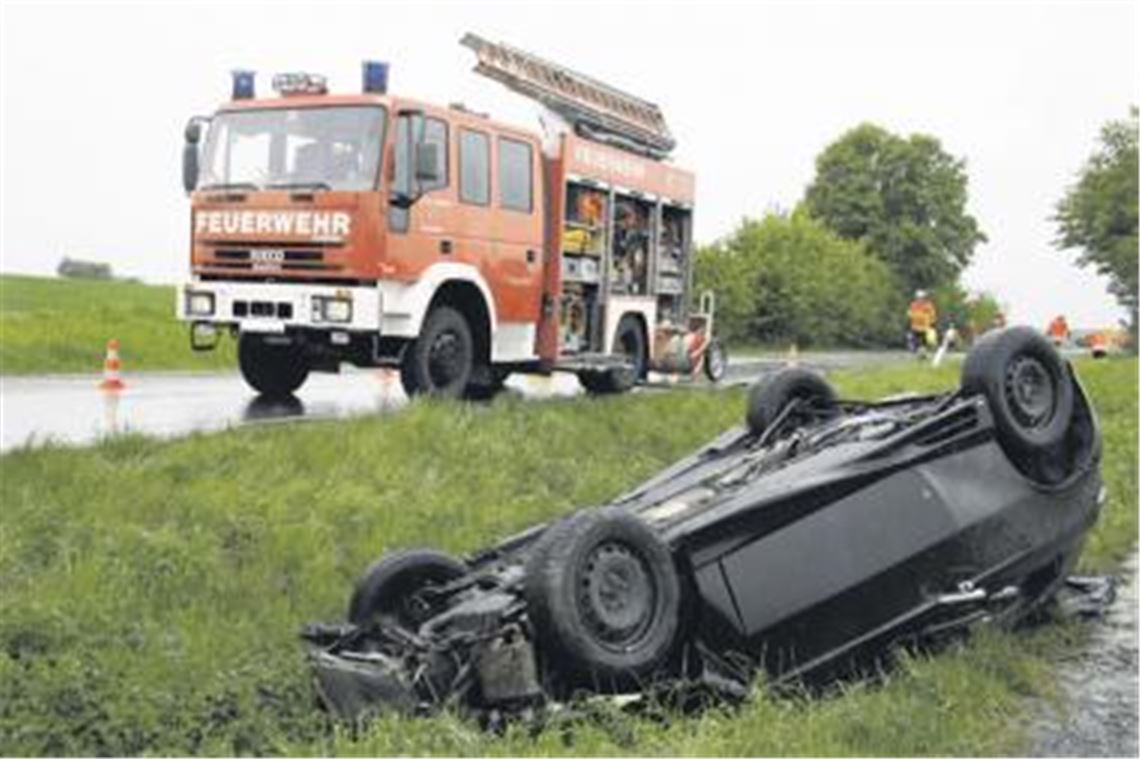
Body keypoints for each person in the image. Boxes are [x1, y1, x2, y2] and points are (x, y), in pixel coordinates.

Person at [907, 290, 938, 356]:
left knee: (925, 341)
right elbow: (910, 313)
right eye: (918, 298)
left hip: (925, 326)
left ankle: (923, 352)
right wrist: (910, 316)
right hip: (915, 326)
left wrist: (932, 322)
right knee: (913, 338)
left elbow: (933, 314)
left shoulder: (928, 305)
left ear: (924, 298)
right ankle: (914, 348)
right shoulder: (913, 304)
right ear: (916, 298)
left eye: (921, 298)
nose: (920, 299)